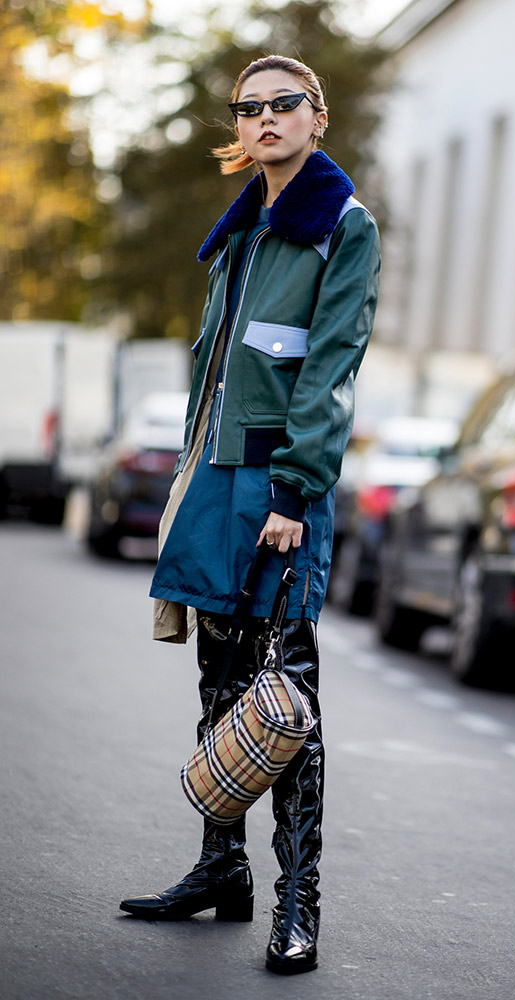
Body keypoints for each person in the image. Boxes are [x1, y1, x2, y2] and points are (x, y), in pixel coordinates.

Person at [119, 54, 381, 976]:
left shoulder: (340, 228)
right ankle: (218, 870)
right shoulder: (238, 235)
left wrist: (295, 493)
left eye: (283, 105)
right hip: (213, 484)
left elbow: (330, 370)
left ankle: (297, 905)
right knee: (220, 689)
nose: (264, 118)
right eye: (249, 107)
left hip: (278, 493)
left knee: (287, 704)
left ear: (316, 116)